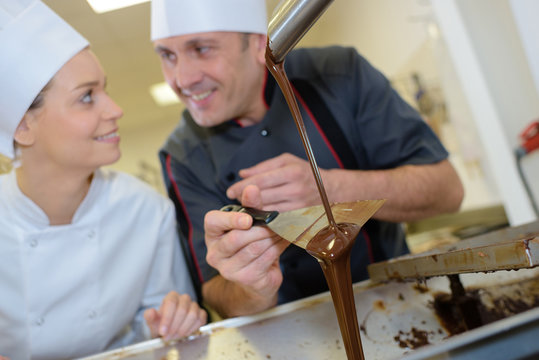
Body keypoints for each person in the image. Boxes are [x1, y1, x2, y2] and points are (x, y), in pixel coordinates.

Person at [150, 0, 464, 319]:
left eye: (202, 49)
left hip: (402, 304)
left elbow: (448, 191)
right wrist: (251, 288)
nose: (182, 79)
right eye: (166, 55)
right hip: (289, 336)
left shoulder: (339, 73)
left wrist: (333, 189)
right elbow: (216, 291)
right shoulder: (182, 156)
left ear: (259, 42)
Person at [0, 1, 206, 358]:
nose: (115, 110)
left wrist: (168, 323)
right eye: (86, 97)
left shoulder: (145, 210)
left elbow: (156, 322)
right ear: (23, 126)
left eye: (104, 90)